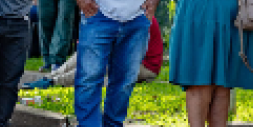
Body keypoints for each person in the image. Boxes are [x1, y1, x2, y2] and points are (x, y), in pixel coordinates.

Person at [25, 16, 164, 89]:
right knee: (83, 53)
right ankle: (50, 77)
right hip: (130, 61)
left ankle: (54, 82)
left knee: (100, 63)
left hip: (146, 67)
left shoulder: (141, 17)